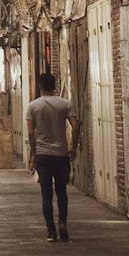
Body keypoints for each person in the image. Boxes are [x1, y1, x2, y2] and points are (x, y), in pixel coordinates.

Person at [26, 72, 80, 241]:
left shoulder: (33, 106)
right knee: (62, 191)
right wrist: (73, 147)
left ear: (40, 86)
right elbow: (76, 126)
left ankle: (51, 232)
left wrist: (34, 154)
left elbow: (30, 131)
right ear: (54, 86)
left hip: (43, 155)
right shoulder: (65, 104)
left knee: (46, 194)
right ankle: (62, 222)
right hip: (61, 154)